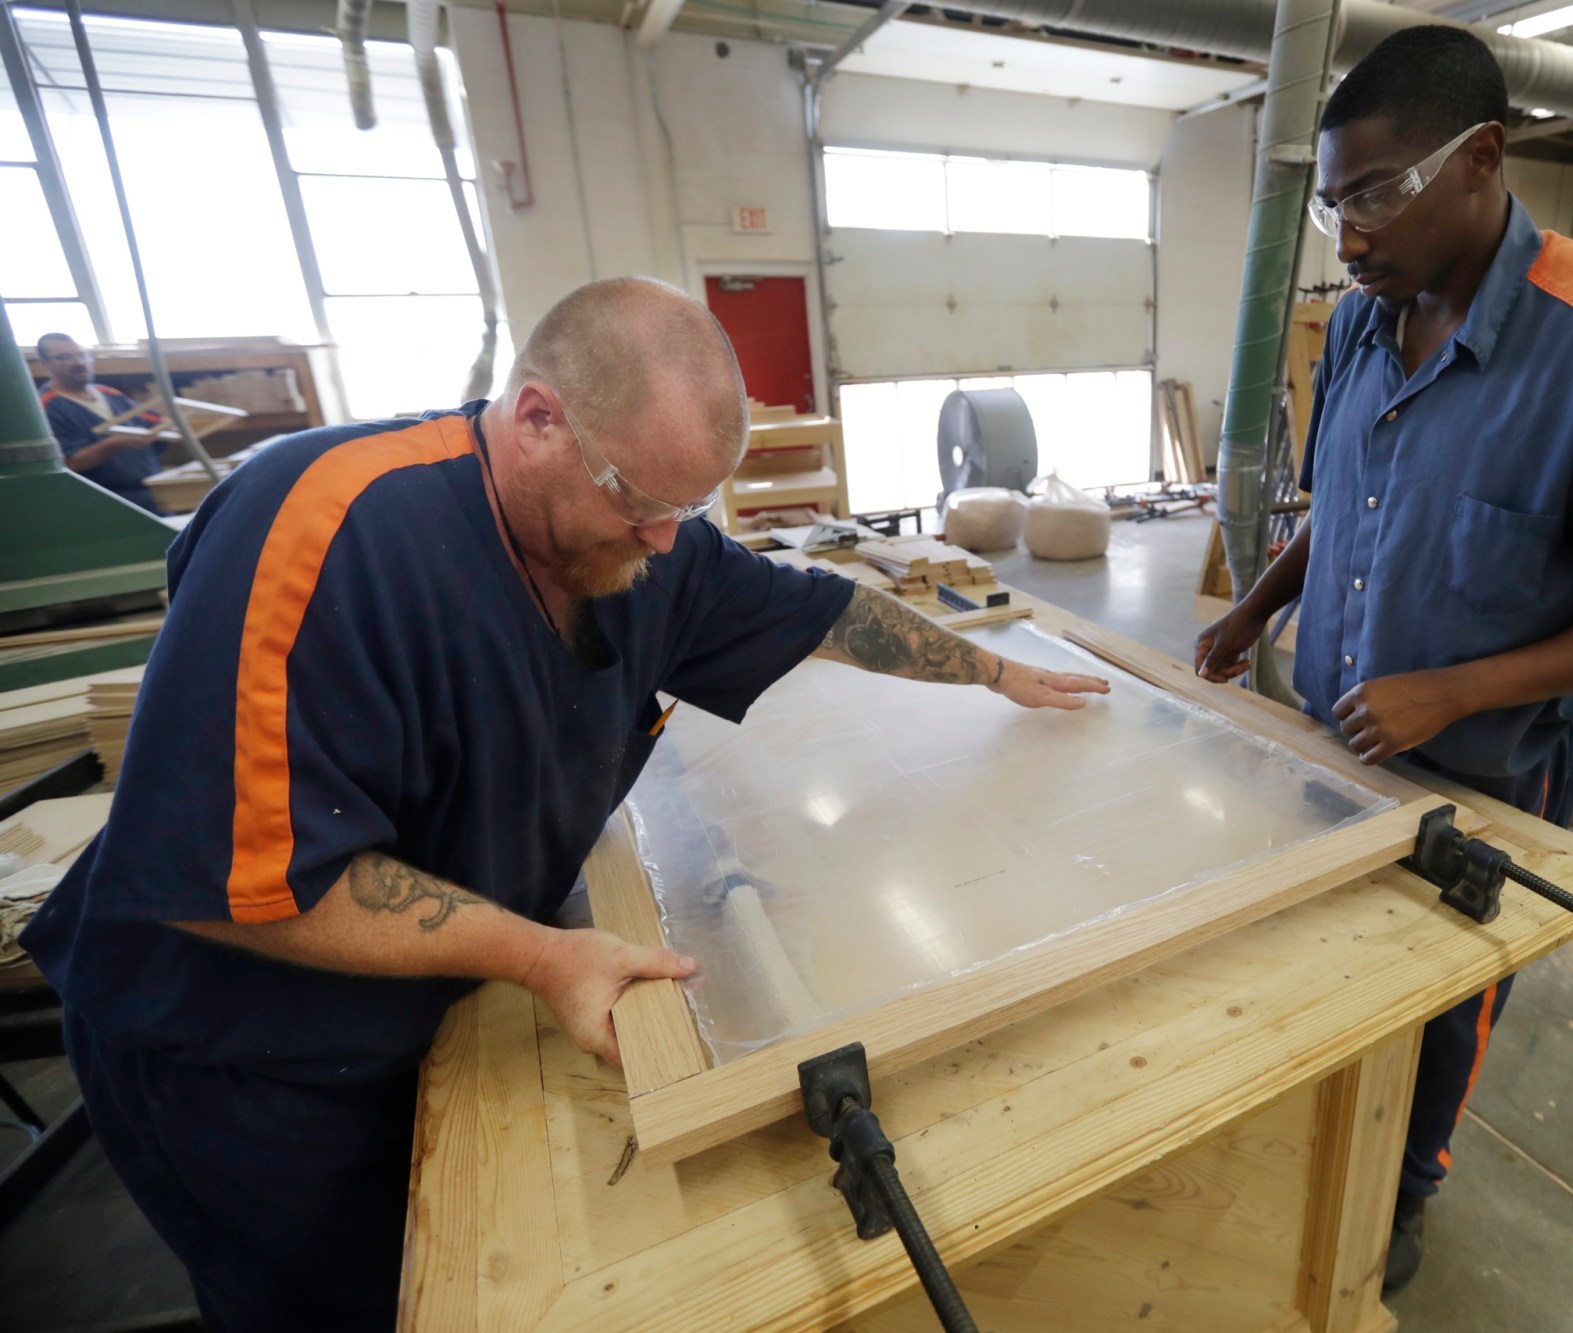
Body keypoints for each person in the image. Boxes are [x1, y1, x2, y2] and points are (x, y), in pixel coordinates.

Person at [22, 277, 1109, 1331]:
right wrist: (541, 954)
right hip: (237, 1057)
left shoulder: (648, 552)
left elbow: (822, 612)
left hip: (407, 1018)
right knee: (337, 1301)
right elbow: (239, 883)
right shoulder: (324, 528)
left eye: (688, 507)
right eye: (639, 499)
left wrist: (989, 670)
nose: (663, 540)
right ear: (537, 416)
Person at [1195, 27, 1573, 1293]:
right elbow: (1344, 503)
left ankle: (1407, 1188)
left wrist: (1457, 687)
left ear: (1482, 159)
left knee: (1444, 1000)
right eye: (1334, 202)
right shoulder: (1363, 324)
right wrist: (1256, 610)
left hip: (1486, 766)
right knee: (1325, 958)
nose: (1348, 234)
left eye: (1377, 193)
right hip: (1335, 733)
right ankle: (1329, 1129)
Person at [36, 333, 169, 513]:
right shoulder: (46, 406)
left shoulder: (110, 394)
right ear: (45, 363)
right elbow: (69, 463)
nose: (78, 363)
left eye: (81, 355)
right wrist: (113, 444)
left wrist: (170, 427)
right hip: (104, 503)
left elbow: (154, 421)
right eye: (65, 358)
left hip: (154, 492)